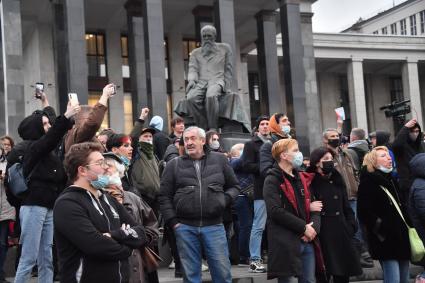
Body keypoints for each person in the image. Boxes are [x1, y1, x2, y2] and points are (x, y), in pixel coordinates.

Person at [54, 142, 148, 283]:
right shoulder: (67, 203)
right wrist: (128, 248)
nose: (106, 168)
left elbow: (141, 233)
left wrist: (114, 235)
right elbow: (96, 246)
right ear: (82, 170)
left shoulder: (108, 199)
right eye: (100, 163)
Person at [159, 126, 240, 283]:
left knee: (222, 274)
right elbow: (164, 197)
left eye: (192, 138)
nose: (188, 142)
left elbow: (235, 187)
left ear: (203, 141)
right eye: (186, 139)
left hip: (215, 226)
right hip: (185, 228)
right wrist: (174, 223)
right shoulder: (173, 165)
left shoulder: (220, 160)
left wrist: (224, 200)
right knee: (191, 277)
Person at [14, 101, 80, 283]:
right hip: (34, 207)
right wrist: (65, 116)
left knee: (47, 258)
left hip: (49, 207)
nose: (48, 126)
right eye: (44, 123)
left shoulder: (48, 152)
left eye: (48, 123)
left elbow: (53, 138)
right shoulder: (33, 148)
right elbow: (51, 138)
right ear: (34, 128)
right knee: (29, 258)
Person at [263, 138, 320, 283]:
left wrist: (312, 229)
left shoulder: (301, 177)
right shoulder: (272, 179)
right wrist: (303, 228)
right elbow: (275, 211)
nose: (299, 153)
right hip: (286, 243)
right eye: (295, 150)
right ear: (283, 155)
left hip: (307, 241)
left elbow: (315, 206)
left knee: (309, 280)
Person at [103, 152, 159, 283]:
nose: (105, 169)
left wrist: (141, 237)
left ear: (119, 171)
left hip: (136, 260)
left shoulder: (132, 198)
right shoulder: (96, 198)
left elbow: (152, 225)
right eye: (102, 166)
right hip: (110, 260)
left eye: (109, 166)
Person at [308, 147, 362, 282]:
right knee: (323, 273)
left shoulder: (337, 178)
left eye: (331, 159)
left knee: (343, 274)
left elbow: (346, 205)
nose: (330, 162)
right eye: (325, 159)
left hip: (341, 230)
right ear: (316, 162)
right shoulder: (310, 180)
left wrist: (351, 225)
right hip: (323, 232)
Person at [357, 146, 410, 283]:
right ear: (373, 162)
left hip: (401, 237)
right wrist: (382, 228)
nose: (388, 158)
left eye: (388, 155)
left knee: (404, 279)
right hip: (385, 239)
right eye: (383, 156)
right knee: (393, 279)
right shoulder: (368, 182)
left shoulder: (391, 180)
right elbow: (364, 212)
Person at [322, 127, 373, 268]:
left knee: (354, 224)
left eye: (337, 135)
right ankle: (350, 255)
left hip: (352, 195)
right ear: (325, 140)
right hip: (336, 197)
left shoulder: (347, 154)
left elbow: (354, 172)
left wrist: (356, 186)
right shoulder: (325, 156)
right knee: (341, 226)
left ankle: (359, 253)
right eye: (332, 136)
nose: (336, 138)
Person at [185, 25, 233, 130]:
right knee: (191, 98)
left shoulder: (225, 48)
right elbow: (193, 69)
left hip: (217, 80)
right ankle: (202, 128)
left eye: (209, 36)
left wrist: (227, 86)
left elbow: (228, 69)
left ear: (214, 36)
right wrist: (192, 80)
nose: (206, 39)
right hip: (201, 82)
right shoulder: (195, 53)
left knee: (211, 96)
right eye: (204, 36)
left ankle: (213, 128)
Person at [241, 114, 270, 273]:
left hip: (277, 189)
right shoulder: (251, 145)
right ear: (258, 127)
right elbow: (246, 166)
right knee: (258, 225)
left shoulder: (275, 143)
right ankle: (254, 259)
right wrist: (265, 166)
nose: (265, 126)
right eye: (262, 124)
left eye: (267, 124)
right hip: (261, 189)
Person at [63, 83, 115, 153]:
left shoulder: (75, 135)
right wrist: (104, 96)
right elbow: (93, 123)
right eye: (90, 117)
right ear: (84, 119)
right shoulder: (78, 135)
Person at [229, 143, 253, 266]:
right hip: (241, 197)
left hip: (247, 196)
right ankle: (244, 257)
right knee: (246, 226)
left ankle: (243, 255)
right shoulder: (232, 162)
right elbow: (238, 163)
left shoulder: (244, 162)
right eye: (242, 150)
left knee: (244, 227)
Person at [392, 118, 425, 206]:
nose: (415, 134)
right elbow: (396, 144)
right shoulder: (401, 148)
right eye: (412, 131)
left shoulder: (422, 145)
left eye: (417, 131)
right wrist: (406, 127)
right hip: (408, 186)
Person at [130, 127, 160, 215]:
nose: (148, 138)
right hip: (142, 196)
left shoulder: (153, 155)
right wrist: (141, 119)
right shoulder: (136, 152)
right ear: (139, 139)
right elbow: (133, 138)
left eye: (150, 136)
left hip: (155, 197)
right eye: (145, 136)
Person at [259, 113, 291, 178]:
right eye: (284, 121)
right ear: (276, 125)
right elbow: (266, 170)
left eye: (288, 120)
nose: (288, 123)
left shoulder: (291, 142)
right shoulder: (269, 145)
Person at [0, 145, 15, 283]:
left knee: (3, 244)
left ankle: (1, 274)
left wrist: (6, 178)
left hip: (5, 208)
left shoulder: (7, 163)